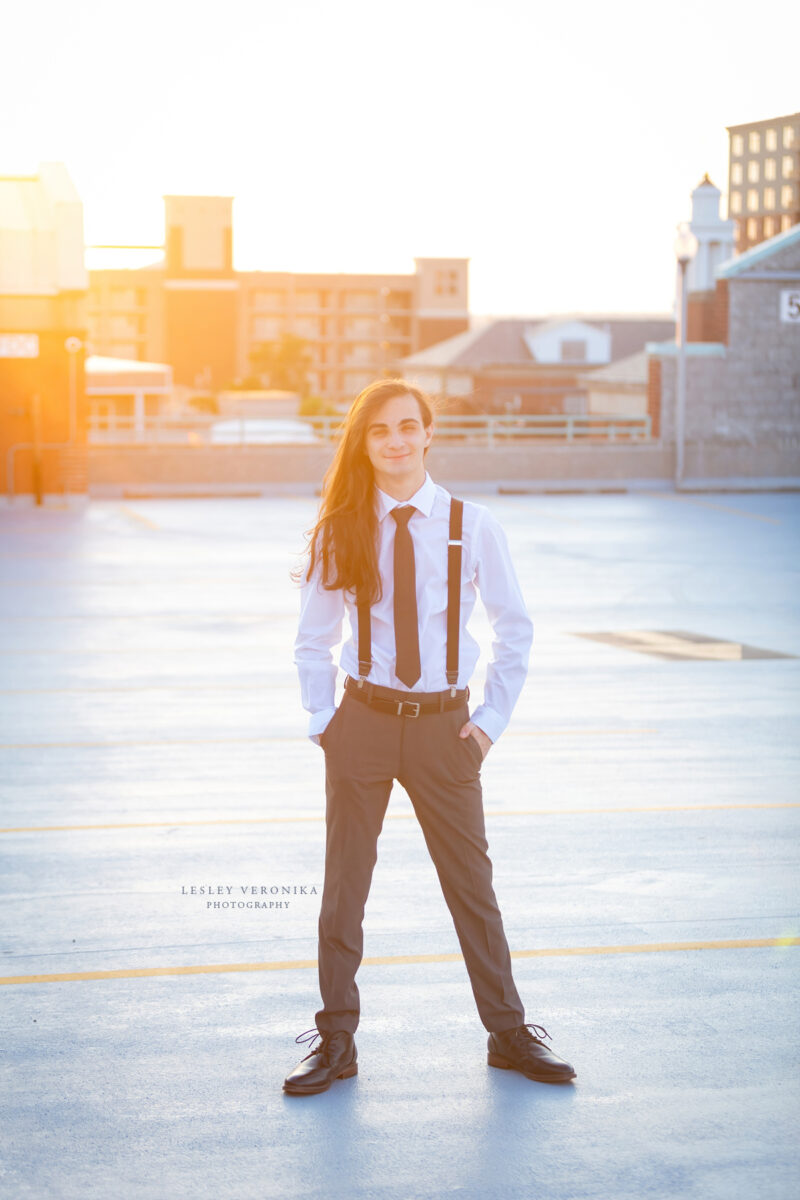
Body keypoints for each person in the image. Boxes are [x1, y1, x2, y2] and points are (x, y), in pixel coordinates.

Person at [285, 378, 575, 1095]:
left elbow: (515, 628)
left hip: (448, 729)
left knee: (472, 886)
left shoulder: (472, 526)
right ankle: (336, 1038)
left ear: (427, 434)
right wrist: (327, 725)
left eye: (408, 427)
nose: (395, 441)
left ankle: (508, 1033)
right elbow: (311, 641)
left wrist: (488, 727)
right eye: (380, 430)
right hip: (364, 725)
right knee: (344, 888)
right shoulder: (340, 528)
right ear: (365, 441)